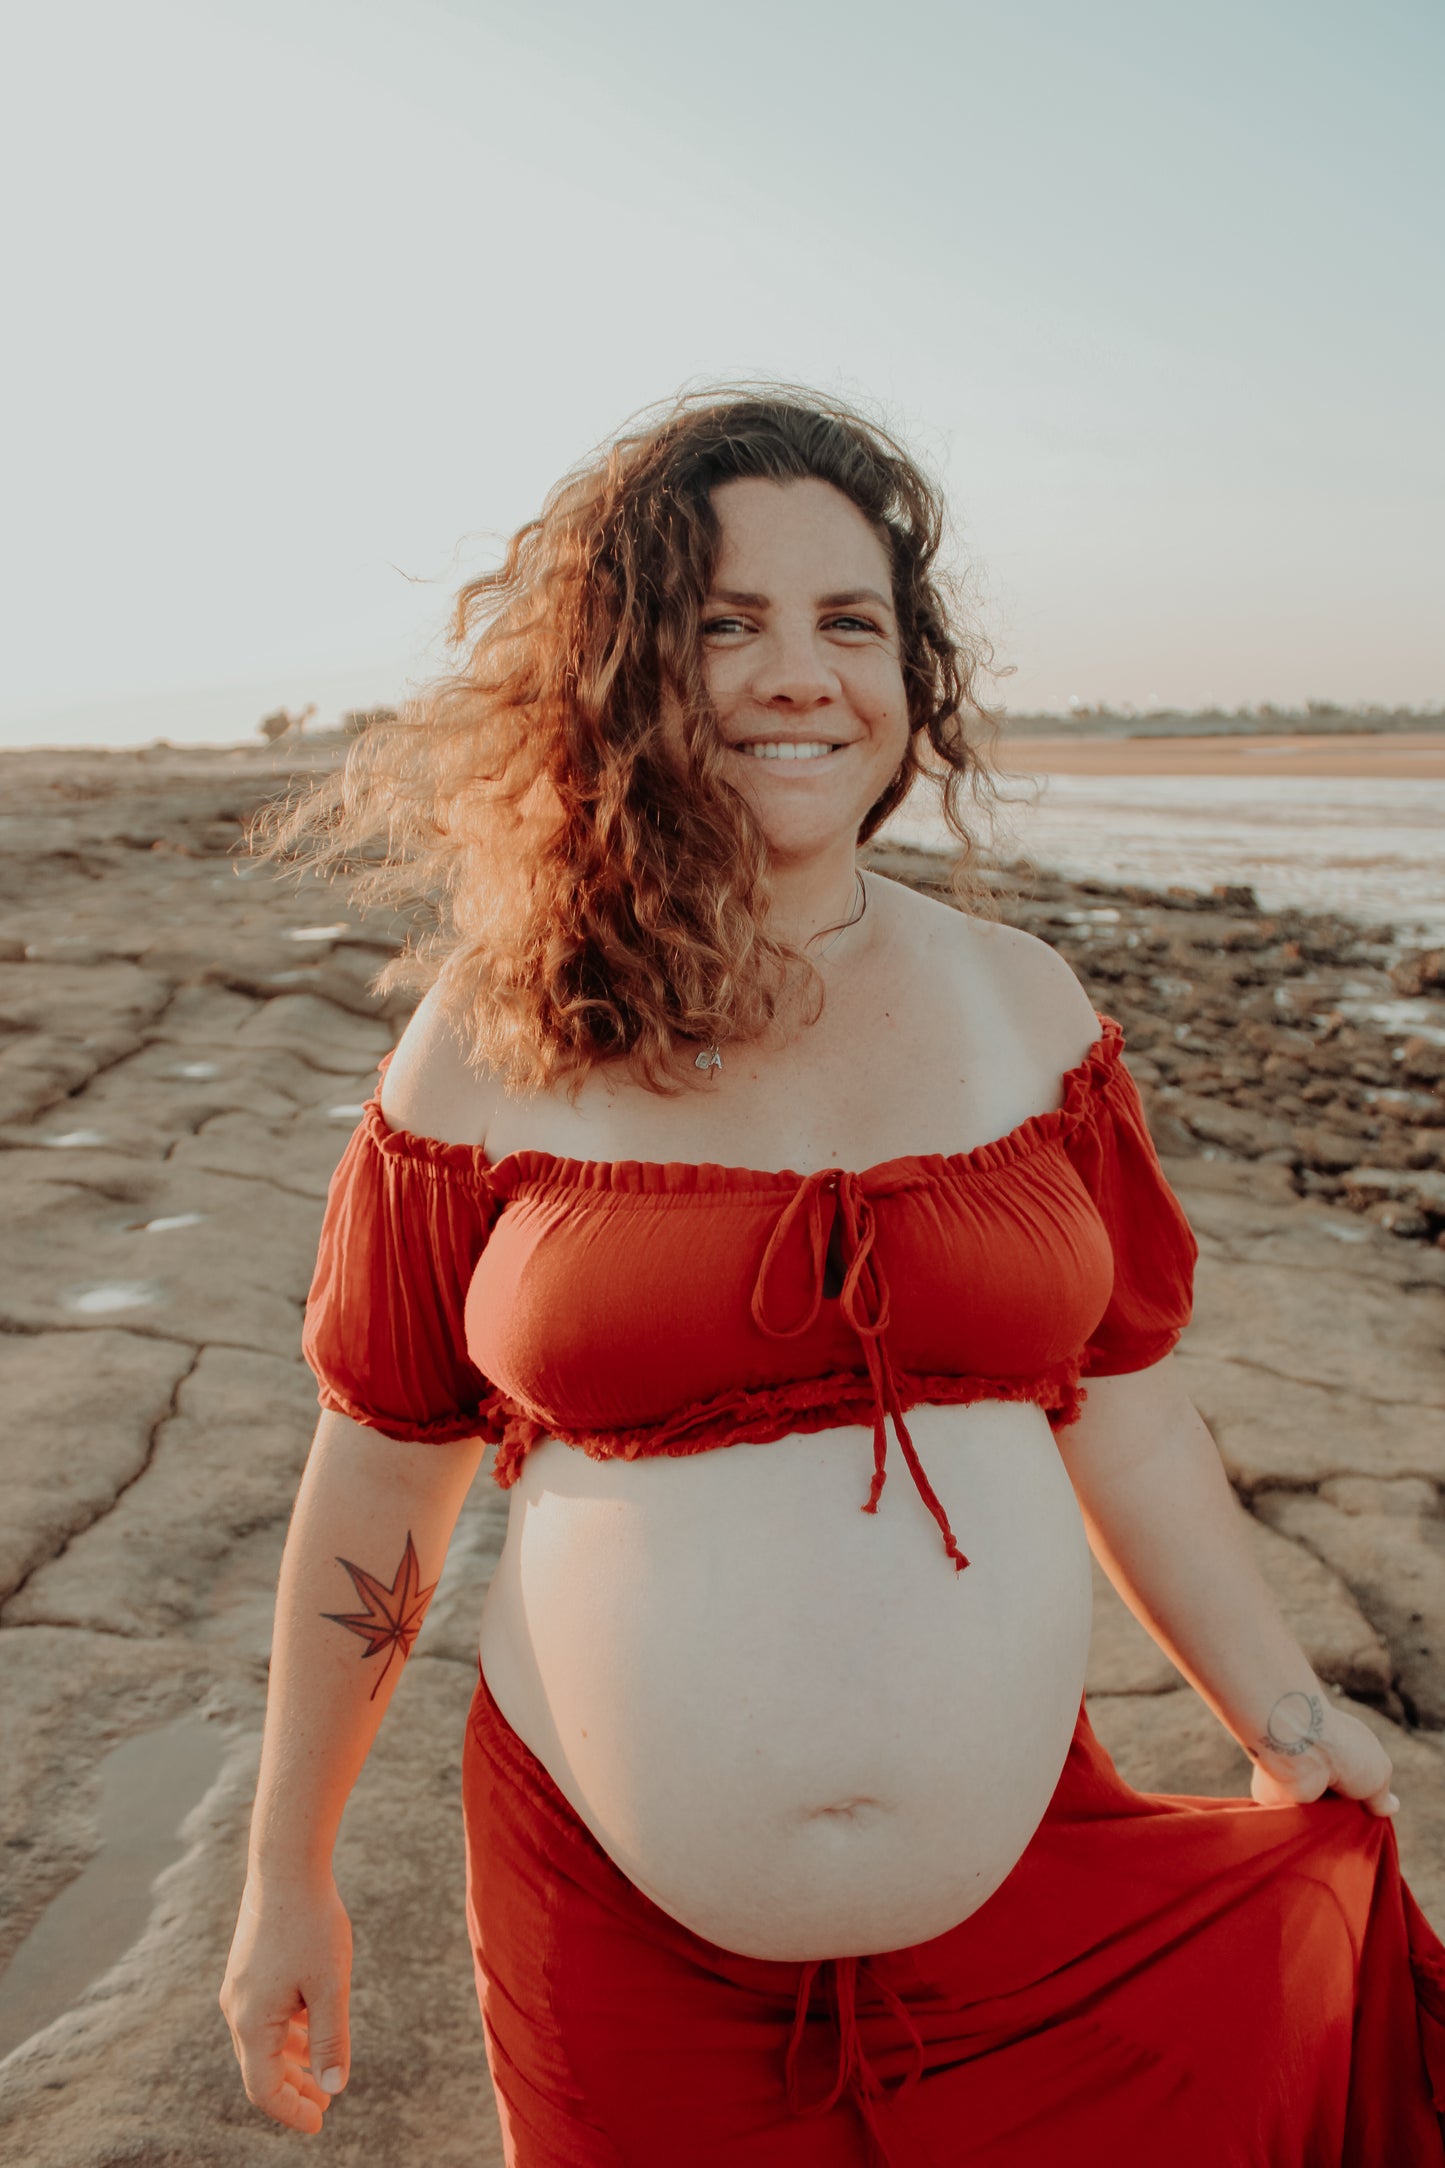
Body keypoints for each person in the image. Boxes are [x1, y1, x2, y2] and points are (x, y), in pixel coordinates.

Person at [221, 387, 1445, 2165]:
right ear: (624, 675)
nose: (797, 674)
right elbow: (381, 1470)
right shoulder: (488, 1040)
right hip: (618, 1955)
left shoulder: (1022, 1007)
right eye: (724, 625)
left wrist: (1277, 1710)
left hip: (1031, 1930)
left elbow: (1122, 1409)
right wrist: (285, 1869)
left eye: (846, 622)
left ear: (909, 677)